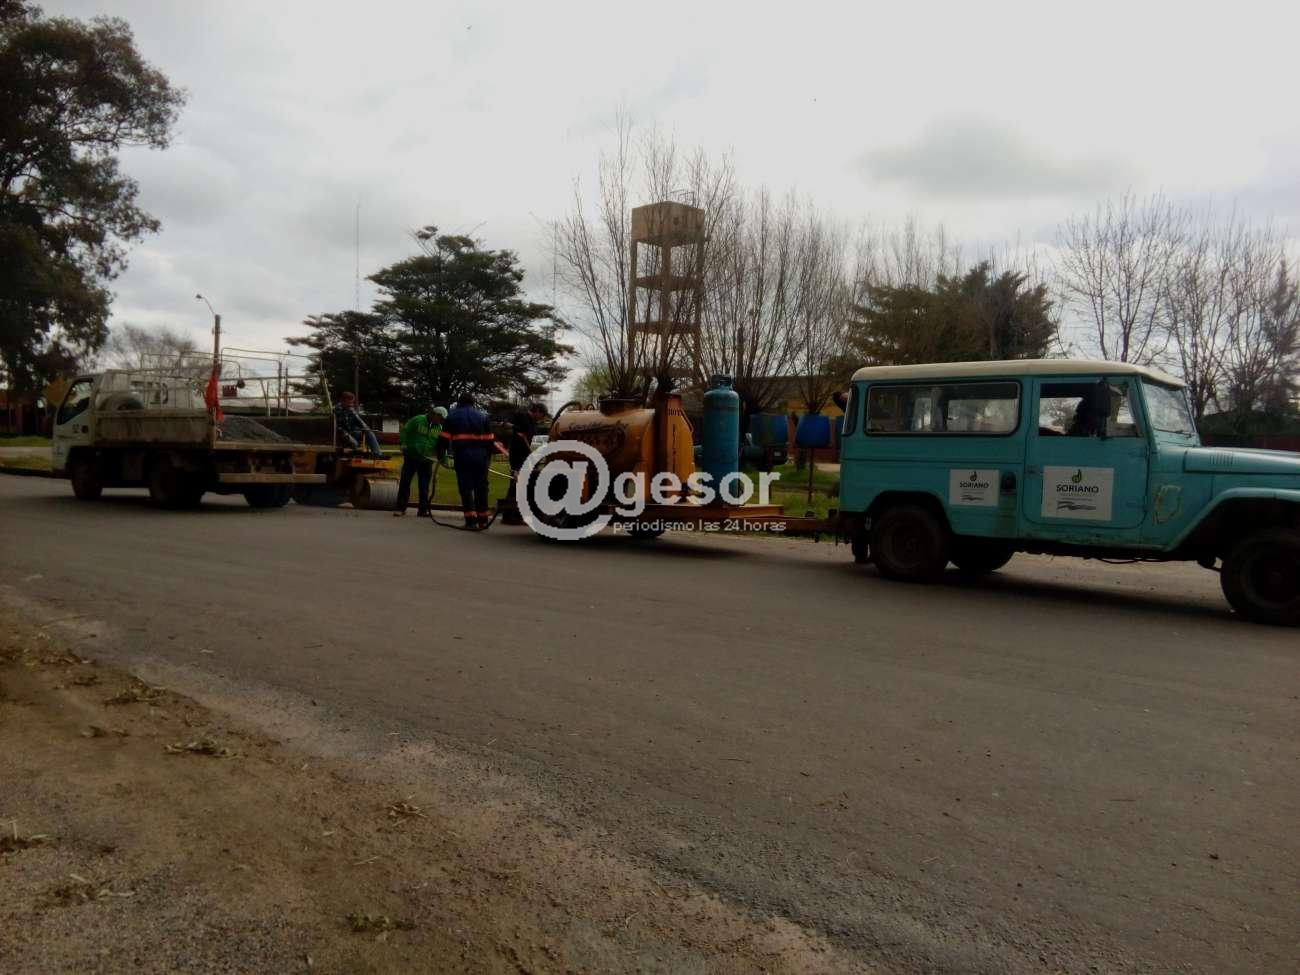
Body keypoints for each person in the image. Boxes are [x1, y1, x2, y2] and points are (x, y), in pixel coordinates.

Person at [435, 392, 500, 529]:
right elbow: (490, 441)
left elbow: (443, 439)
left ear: (459, 402)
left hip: (463, 456)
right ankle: (483, 519)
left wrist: (440, 456)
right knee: (481, 488)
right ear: (472, 403)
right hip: (481, 457)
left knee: (466, 487)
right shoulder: (483, 416)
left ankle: (471, 521)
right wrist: (487, 459)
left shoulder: (452, 416)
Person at [393, 405, 446, 517]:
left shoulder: (439, 428)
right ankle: (400, 508)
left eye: (443, 420)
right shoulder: (418, 420)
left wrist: (443, 458)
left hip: (427, 460)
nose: (441, 421)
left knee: (424, 486)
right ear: (435, 415)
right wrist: (403, 443)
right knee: (405, 482)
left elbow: (441, 445)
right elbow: (405, 431)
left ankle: (423, 510)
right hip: (411, 456)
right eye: (440, 419)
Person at [334, 391, 383, 457]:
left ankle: (377, 454)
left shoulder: (351, 410)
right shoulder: (337, 410)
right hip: (342, 434)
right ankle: (355, 446)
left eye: (352, 403)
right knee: (354, 443)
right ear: (343, 401)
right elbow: (339, 424)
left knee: (370, 434)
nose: (351, 405)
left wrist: (367, 429)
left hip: (353, 433)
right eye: (349, 403)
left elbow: (360, 421)